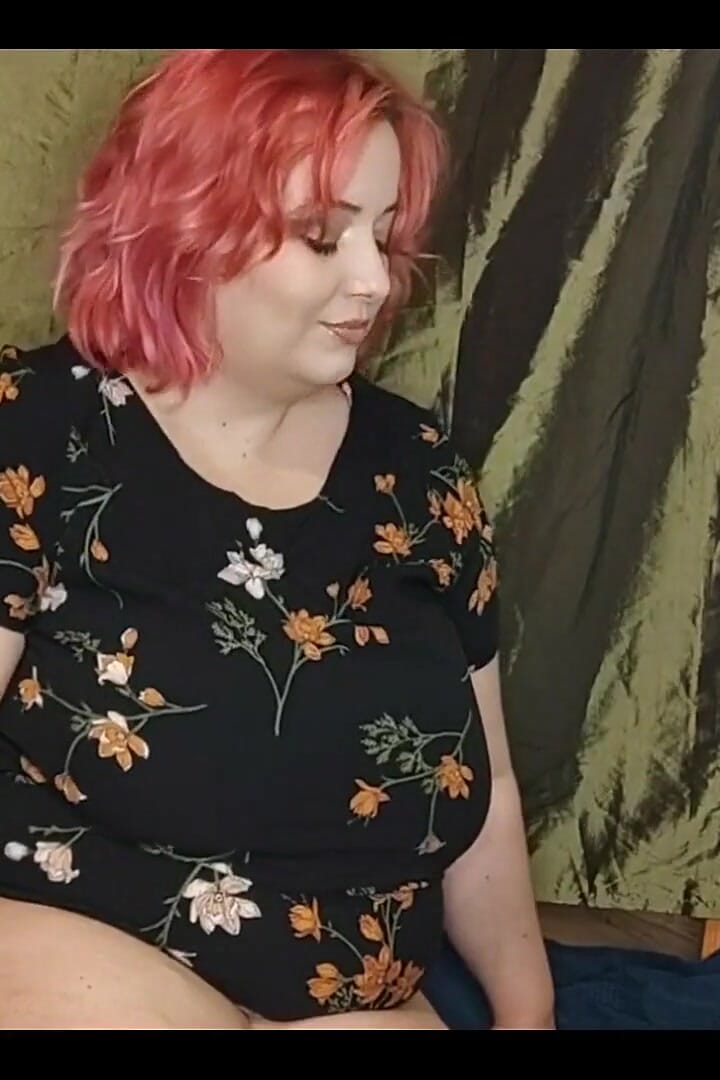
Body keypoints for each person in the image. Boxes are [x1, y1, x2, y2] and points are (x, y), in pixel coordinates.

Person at [0, 48, 554, 1030]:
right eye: (321, 236)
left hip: (354, 1000)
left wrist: (529, 1013)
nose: (374, 280)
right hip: (85, 966)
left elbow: (490, 787)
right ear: (185, 227)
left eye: (384, 233)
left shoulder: (421, 474)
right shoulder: (38, 430)